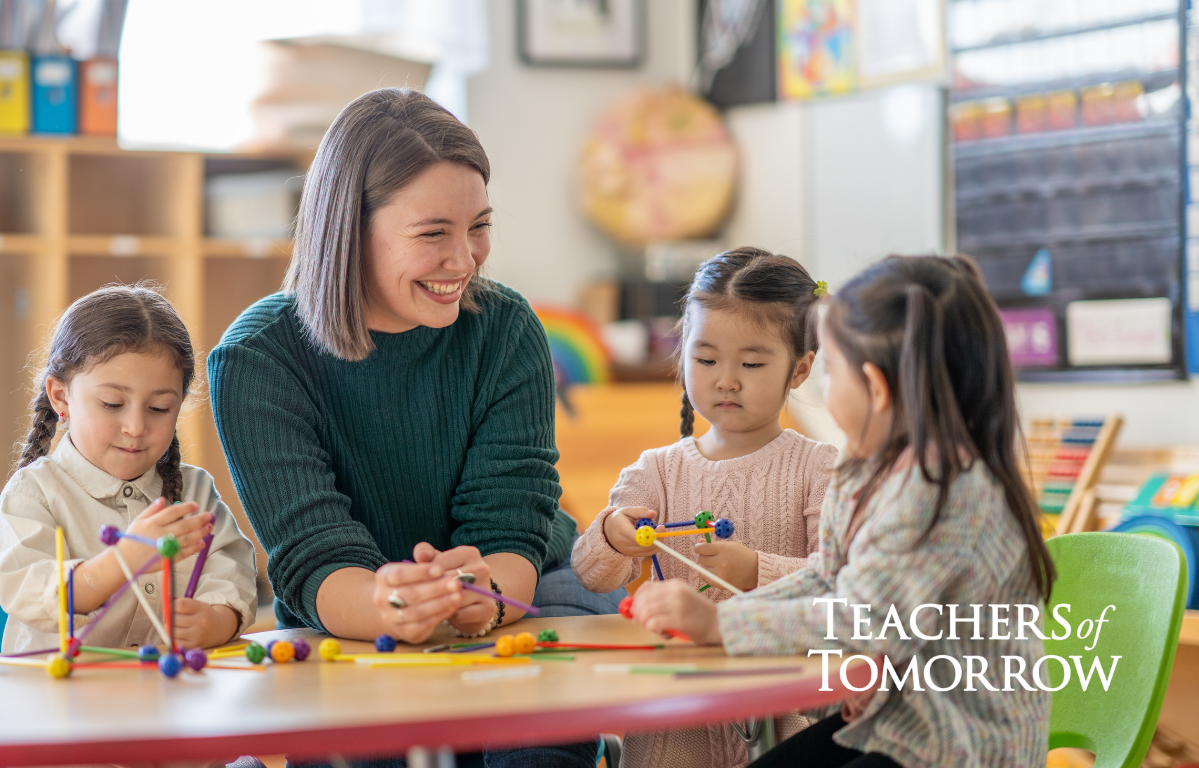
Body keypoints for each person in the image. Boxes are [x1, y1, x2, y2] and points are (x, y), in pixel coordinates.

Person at [208, 88, 619, 768]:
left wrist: (480, 599)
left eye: (479, 226)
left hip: (527, 592)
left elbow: (512, 531)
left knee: (533, 758)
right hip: (353, 623)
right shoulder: (259, 359)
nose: (465, 260)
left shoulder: (505, 329)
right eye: (434, 234)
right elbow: (314, 558)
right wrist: (394, 606)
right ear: (349, 228)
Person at [627, 255, 1055, 768]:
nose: (824, 387)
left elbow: (865, 619)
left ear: (874, 387)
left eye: (831, 369)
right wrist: (721, 616)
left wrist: (723, 628)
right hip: (901, 722)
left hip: (963, 746)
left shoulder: (947, 490)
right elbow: (829, 579)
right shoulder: (865, 470)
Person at [571, 247, 838, 766]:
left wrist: (756, 569)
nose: (726, 379)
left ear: (800, 369)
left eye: (753, 363)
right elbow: (591, 575)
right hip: (675, 726)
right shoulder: (657, 470)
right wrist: (612, 535)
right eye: (706, 358)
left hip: (783, 721)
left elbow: (843, 583)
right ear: (683, 353)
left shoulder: (818, 468)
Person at [0, 284, 257, 655]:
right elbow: (31, 592)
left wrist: (216, 621)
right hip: (56, 700)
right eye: (112, 403)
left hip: (164, 697)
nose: (135, 427)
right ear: (61, 397)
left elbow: (233, 573)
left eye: (160, 408)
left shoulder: (194, 493)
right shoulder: (32, 493)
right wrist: (124, 559)